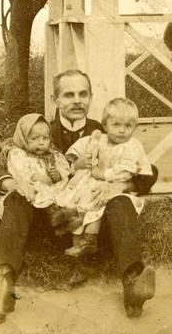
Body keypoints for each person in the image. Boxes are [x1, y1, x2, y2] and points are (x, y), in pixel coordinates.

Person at [0, 69, 158, 323]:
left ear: (91, 97)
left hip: (93, 221)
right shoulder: (40, 130)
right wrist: (16, 182)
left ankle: (133, 284)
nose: (77, 100)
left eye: (83, 94)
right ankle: (5, 284)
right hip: (50, 218)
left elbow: (149, 171)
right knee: (15, 198)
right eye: (69, 95)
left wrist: (119, 186)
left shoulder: (108, 129)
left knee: (121, 201)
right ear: (55, 99)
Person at [58, 98, 153, 258]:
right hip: (92, 183)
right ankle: (78, 248)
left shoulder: (132, 146)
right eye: (116, 125)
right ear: (105, 125)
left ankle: (90, 239)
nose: (122, 130)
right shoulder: (99, 139)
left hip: (116, 186)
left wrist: (101, 174)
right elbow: (81, 147)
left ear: (135, 127)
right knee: (78, 202)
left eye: (128, 126)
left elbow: (126, 171)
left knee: (97, 203)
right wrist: (78, 159)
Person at [0, 113, 70, 216]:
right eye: (34, 138)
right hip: (31, 190)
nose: (41, 143)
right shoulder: (18, 154)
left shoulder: (53, 154)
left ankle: (58, 215)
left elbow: (65, 170)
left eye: (45, 138)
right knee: (28, 199)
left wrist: (57, 176)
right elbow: (20, 172)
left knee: (64, 199)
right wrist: (37, 177)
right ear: (23, 138)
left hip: (52, 190)